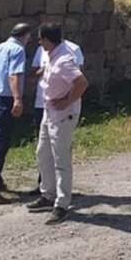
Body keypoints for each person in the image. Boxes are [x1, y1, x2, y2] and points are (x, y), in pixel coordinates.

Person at [27, 22, 88, 224]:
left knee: (61, 160)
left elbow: (81, 83)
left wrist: (66, 101)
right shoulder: (52, 56)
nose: (38, 41)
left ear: (47, 39)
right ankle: (48, 194)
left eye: (40, 38)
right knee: (42, 152)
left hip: (63, 115)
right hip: (49, 112)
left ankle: (62, 204)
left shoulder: (64, 59)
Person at [0, 21, 33, 204]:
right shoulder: (18, 50)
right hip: (4, 99)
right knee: (1, 143)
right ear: (25, 36)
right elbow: (14, 75)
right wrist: (17, 99)